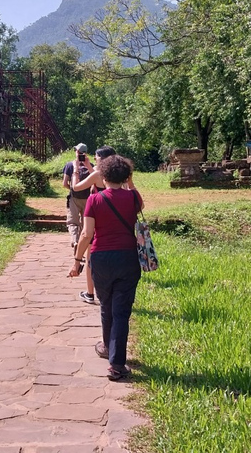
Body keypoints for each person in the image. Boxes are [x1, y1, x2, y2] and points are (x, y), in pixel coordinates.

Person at [68, 155, 143, 381]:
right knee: (121, 312)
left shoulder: (95, 200)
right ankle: (117, 364)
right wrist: (130, 182)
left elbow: (86, 234)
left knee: (106, 306)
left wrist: (77, 261)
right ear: (127, 176)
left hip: (100, 258)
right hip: (127, 258)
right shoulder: (133, 198)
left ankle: (107, 347)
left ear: (103, 175)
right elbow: (139, 205)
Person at [69, 145, 121, 305]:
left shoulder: (99, 174)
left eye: (97, 160)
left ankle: (90, 293)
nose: (96, 162)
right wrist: (89, 166)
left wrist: (76, 169)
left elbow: (76, 187)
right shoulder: (121, 173)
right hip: (115, 217)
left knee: (90, 255)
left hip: (97, 214)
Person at [62, 143, 93, 251]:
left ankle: (75, 241)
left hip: (74, 198)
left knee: (72, 222)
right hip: (88, 199)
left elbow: (65, 183)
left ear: (76, 152)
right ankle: (81, 246)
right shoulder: (91, 166)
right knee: (85, 224)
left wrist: (73, 188)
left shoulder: (70, 165)